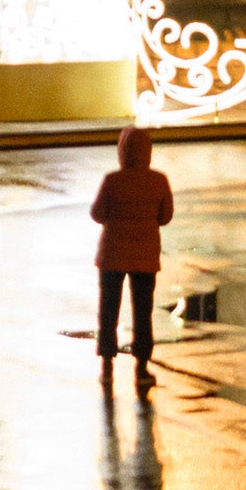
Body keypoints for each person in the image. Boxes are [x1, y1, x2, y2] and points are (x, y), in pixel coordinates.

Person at [89, 126, 175, 371]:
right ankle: (143, 355)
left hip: (112, 255)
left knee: (108, 306)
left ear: (122, 151)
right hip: (145, 256)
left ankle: (107, 355)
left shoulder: (112, 180)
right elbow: (165, 216)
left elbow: (97, 213)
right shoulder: (159, 180)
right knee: (143, 308)